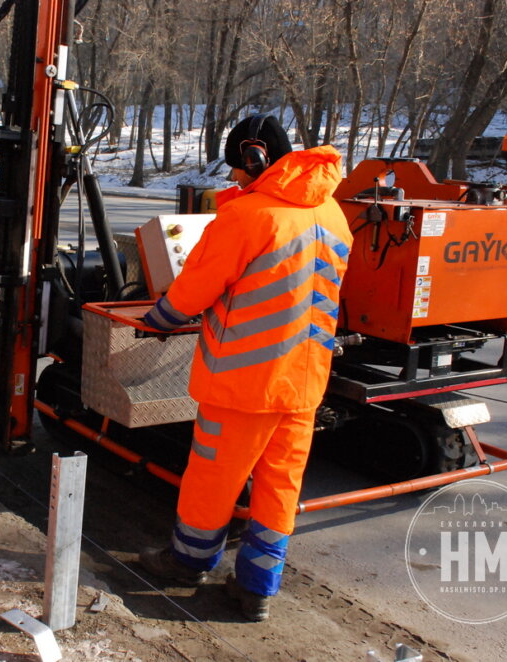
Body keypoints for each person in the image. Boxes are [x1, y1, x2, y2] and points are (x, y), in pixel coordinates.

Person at [139, 115, 352, 621]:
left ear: (256, 159)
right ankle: (257, 588)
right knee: (280, 484)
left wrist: (157, 320)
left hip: (243, 382)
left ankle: (188, 562)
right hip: (304, 383)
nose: (234, 178)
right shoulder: (333, 211)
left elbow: (195, 286)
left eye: (238, 167)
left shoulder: (249, 216)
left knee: (213, 477)